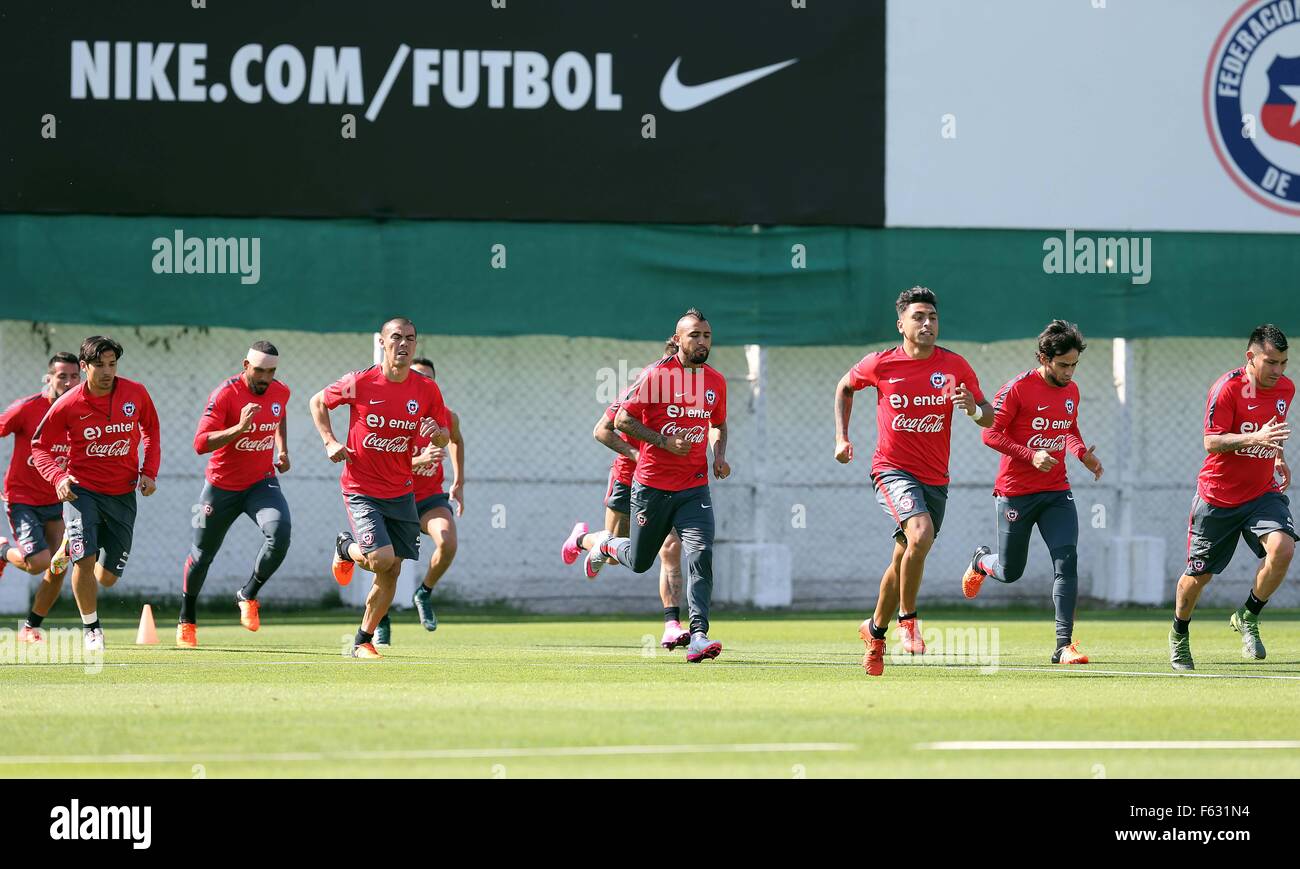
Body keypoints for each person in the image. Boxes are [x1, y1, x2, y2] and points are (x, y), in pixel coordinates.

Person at [834, 287, 993, 676]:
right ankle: (909, 619)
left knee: (903, 556)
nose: (927, 324)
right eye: (919, 317)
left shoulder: (955, 366)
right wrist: (842, 436)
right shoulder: (881, 363)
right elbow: (845, 387)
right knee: (919, 535)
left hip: (935, 478)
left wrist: (973, 409)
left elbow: (989, 416)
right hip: (891, 470)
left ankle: (874, 630)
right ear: (901, 324)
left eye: (933, 317)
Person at [562, 309, 730, 663]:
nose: (702, 342)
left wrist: (718, 456)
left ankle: (698, 634)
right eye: (695, 336)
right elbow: (621, 420)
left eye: (707, 336)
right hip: (652, 486)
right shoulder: (656, 376)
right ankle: (605, 544)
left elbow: (719, 424)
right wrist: (664, 443)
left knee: (700, 553)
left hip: (694, 487)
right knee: (640, 561)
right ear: (678, 339)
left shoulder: (715, 381)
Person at [960, 320, 1104, 664]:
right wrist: (1029, 453)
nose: (1069, 372)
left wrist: (1082, 453)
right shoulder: (1017, 389)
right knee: (1011, 571)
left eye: (1074, 365)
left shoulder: (1072, 390)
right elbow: (989, 434)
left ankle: (1063, 645)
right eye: (1063, 364)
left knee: (1066, 561)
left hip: (1057, 491)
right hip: (1016, 493)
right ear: (1044, 358)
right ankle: (981, 561)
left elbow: (1067, 427)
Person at [309, 317, 449, 659]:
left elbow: (444, 436)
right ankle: (346, 548)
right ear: (383, 343)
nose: (404, 344)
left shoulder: (426, 389)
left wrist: (436, 433)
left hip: (401, 491)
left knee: (394, 569)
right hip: (361, 487)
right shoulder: (360, 381)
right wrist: (329, 441)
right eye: (397, 338)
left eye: (410, 339)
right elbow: (317, 402)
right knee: (379, 559)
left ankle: (362, 641)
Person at [1169, 324, 1295, 671]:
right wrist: (1253, 438)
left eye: (1284, 362)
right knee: (1198, 577)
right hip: (1218, 496)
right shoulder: (1227, 389)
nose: (1278, 370)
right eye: (1271, 362)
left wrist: (1278, 455)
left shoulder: (1286, 388)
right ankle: (1179, 634)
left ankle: (1248, 616)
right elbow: (1211, 441)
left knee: (1283, 548)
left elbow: (1272, 429)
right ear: (1250, 357)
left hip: (1261, 493)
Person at [31, 336, 161, 651]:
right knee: (85, 560)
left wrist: (149, 471)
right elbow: (39, 447)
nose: (107, 371)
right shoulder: (69, 403)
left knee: (107, 578)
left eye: (112, 364)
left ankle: (69, 549)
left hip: (122, 494)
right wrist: (58, 477)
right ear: (85, 366)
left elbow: (151, 430)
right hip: (82, 492)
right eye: (99, 365)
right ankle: (92, 629)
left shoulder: (136, 393)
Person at [177, 341, 292, 647]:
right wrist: (239, 428)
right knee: (201, 556)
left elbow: (279, 415)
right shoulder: (225, 395)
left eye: (271, 371)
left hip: (261, 483)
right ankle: (187, 618)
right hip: (220, 488)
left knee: (280, 534)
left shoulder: (280, 391)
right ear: (245, 366)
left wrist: (282, 449)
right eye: (259, 371)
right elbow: (200, 444)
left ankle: (248, 594)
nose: (265, 378)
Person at [0, 352, 80, 642]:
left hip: (59, 501)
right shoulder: (26, 409)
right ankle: (2, 552)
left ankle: (31, 628)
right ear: (49, 378)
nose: (69, 382)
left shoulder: (81, 412)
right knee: (39, 564)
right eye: (62, 376)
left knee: (59, 565)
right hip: (22, 498)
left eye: (74, 376)